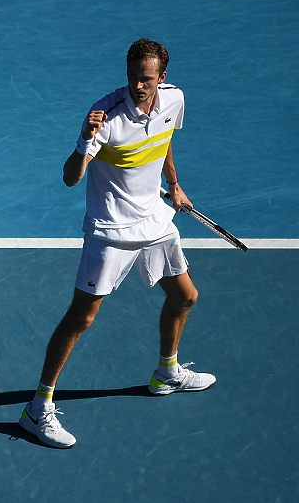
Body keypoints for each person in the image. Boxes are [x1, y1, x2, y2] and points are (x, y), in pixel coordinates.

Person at [19, 38, 216, 449]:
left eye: (146, 79)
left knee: (185, 297)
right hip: (110, 231)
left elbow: (164, 142)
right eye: (131, 77)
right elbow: (71, 178)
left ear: (162, 78)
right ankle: (37, 409)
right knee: (81, 319)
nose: (137, 86)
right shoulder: (104, 116)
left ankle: (167, 373)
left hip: (155, 220)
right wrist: (84, 138)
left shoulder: (173, 100)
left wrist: (174, 185)